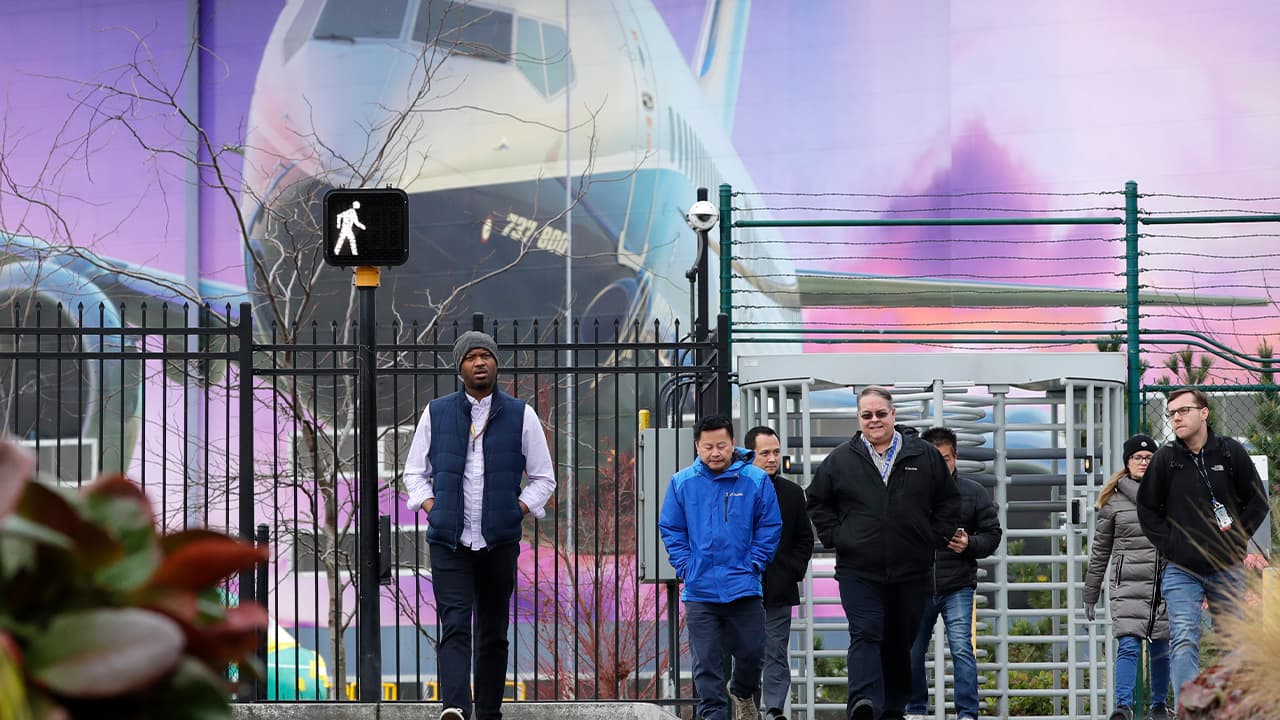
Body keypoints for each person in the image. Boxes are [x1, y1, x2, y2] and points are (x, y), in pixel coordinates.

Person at [402, 330, 557, 720]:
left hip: (498, 543)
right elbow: (414, 473)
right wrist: (432, 507)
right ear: (460, 368)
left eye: (485, 355)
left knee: (493, 632)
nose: (480, 362)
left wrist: (516, 509)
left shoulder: (522, 414)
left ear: (496, 363)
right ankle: (455, 707)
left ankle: (488, 712)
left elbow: (544, 479)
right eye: (471, 357)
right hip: (448, 542)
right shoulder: (436, 412)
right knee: (454, 625)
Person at [806, 386, 961, 720]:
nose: (873, 420)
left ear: (893, 414)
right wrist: (837, 536)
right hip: (858, 570)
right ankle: (862, 704)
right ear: (858, 418)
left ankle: (892, 708)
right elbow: (817, 501)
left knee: (898, 641)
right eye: (866, 415)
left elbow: (949, 500)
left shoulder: (924, 455)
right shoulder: (840, 460)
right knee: (865, 632)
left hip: (911, 569)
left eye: (880, 413)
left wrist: (934, 536)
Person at [1136, 388, 1269, 712]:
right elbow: (1148, 510)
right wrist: (1172, 546)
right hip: (1182, 571)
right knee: (1184, 637)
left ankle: (1230, 710)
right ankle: (1190, 711)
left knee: (1232, 643)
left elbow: (1257, 501)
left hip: (1226, 567)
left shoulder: (1230, 453)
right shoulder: (1166, 460)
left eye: (1183, 410)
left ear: (1204, 412)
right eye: (1171, 413)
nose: (1176, 418)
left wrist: (1237, 538)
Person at [659, 414, 782, 720]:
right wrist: (686, 565)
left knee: (754, 653)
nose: (715, 453)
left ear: (732, 444)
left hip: (744, 586)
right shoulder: (682, 483)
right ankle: (713, 715)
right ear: (697, 447)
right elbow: (671, 529)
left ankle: (741, 691)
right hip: (700, 590)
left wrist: (755, 561)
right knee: (707, 665)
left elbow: (769, 525)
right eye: (708, 446)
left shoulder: (755, 481)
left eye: (722, 446)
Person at [904, 427, 1002, 720]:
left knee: (962, 649)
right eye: (934, 460)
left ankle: (967, 713)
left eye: (944, 459)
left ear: (955, 457)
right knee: (911, 651)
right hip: (917, 584)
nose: (939, 466)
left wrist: (970, 544)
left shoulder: (973, 492)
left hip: (957, 584)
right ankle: (916, 710)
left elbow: (993, 534)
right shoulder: (909, 493)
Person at [1084, 433, 1171, 720]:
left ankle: (1159, 706)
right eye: (1137, 457)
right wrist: (1090, 592)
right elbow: (1100, 551)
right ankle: (1124, 707)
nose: (1143, 462)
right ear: (1127, 462)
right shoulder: (1113, 503)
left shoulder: (1169, 497)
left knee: (1160, 646)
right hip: (1127, 584)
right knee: (1129, 644)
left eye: (1149, 458)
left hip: (1163, 584)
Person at [744, 425, 815, 720]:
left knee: (775, 652)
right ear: (750, 455)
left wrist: (792, 572)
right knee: (747, 654)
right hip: (742, 588)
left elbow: (804, 538)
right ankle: (748, 709)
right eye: (765, 453)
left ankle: (774, 710)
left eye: (776, 452)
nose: (773, 459)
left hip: (779, 588)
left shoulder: (792, 492)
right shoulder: (735, 489)